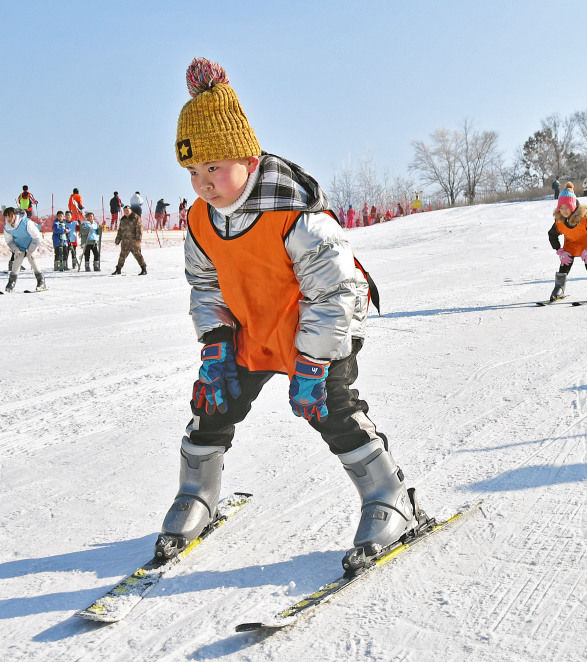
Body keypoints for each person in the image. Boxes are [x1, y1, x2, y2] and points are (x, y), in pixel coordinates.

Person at [154, 57, 421, 575]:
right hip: (252, 329)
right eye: (192, 171)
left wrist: (315, 362)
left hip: (319, 327)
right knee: (214, 400)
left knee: (331, 407)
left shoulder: (294, 214)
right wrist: (215, 344)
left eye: (213, 167)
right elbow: (205, 284)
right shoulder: (199, 219)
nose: (203, 182)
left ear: (248, 161)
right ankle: (196, 493)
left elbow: (338, 291)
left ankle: (390, 499)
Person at [546, 183, 587, 302]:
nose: (564, 211)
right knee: (564, 265)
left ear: (573, 206)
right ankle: (559, 288)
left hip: (586, 245)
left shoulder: (584, 218)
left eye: (567, 207)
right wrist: (559, 251)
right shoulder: (560, 221)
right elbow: (552, 235)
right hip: (570, 246)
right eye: (562, 208)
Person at [1, 207, 45, 293]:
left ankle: (41, 281)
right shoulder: (7, 227)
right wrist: (15, 249)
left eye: (10, 216)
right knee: (17, 261)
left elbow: (37, 237)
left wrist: (31, 250)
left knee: (32, 258)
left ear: (15, 215)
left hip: (32, 242)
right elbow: (9, 240)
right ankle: (11, 283)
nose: (8, 219)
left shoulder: (26, 222)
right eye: (6, 217)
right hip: (19, 245)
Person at [112, 205, 146, 276]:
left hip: (134, 241)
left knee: (138, 255)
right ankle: (118, 269)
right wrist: (117, 240)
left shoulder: (136, 218)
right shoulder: (123, 219)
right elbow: (120, 231)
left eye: (127, 210)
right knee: (122, 256)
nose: (126, 212)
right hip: (125, 242)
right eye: (125, 211)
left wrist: (138, 238)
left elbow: (139, 229)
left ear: (131, 210)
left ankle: (143, 269)